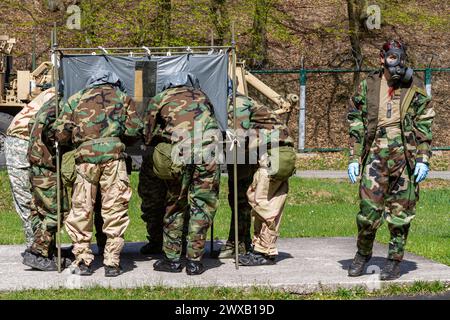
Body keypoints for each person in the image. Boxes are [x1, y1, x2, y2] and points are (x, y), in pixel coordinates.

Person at [347, 40, 434, 280]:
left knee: (400, 213)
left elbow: (424, 123)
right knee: (368, 212)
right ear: (381, 58)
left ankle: (394, 261)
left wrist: (423, 158)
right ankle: (362, 255)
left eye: (400, 58)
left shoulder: (414, 86)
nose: (397, 63)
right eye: (392, 58)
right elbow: (356, 119)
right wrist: (354, 157)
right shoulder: (369, 85)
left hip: (405, 156)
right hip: (375, 153)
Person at [53, 70, 143, 277]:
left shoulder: (76, 99)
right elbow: (134, 130)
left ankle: (83, 260)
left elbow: (60, 133)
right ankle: (112, 262)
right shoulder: (123, 98)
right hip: (114, 159)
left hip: (85, 160)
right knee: (114, 209)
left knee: (82, 209)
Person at [142, 72, 220, 275]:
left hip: (181, 152)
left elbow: (146, 133)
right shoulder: (201, 95)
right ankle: (194, 261)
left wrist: (161, 136)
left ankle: (172, 260)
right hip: (209, 152)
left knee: (176, 204)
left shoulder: (161, 98)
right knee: (202, 205)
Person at [229, 93, 296, 266]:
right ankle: (261, 248)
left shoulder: (238, 102)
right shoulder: (249, 103)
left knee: (261, 202)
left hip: (273, 155)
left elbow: (240, 135)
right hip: (282, 153)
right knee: (268, 202)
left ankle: (265, 252)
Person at [21, 93, 73, 271]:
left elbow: (31, 125)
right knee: (59, 211)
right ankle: (38, 252)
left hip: (37, 165)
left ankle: (46, 250)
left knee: (39, 210)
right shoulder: (60, 107)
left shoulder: (48, 105)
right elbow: (54, 134)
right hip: (46, 167)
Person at [4, 88, 55, 250]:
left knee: (30, 198)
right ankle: (35, 250)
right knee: (27, 200)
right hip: (22, 141)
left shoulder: (56, 90)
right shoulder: (59, 93)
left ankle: (40, 247)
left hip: (20, 140)